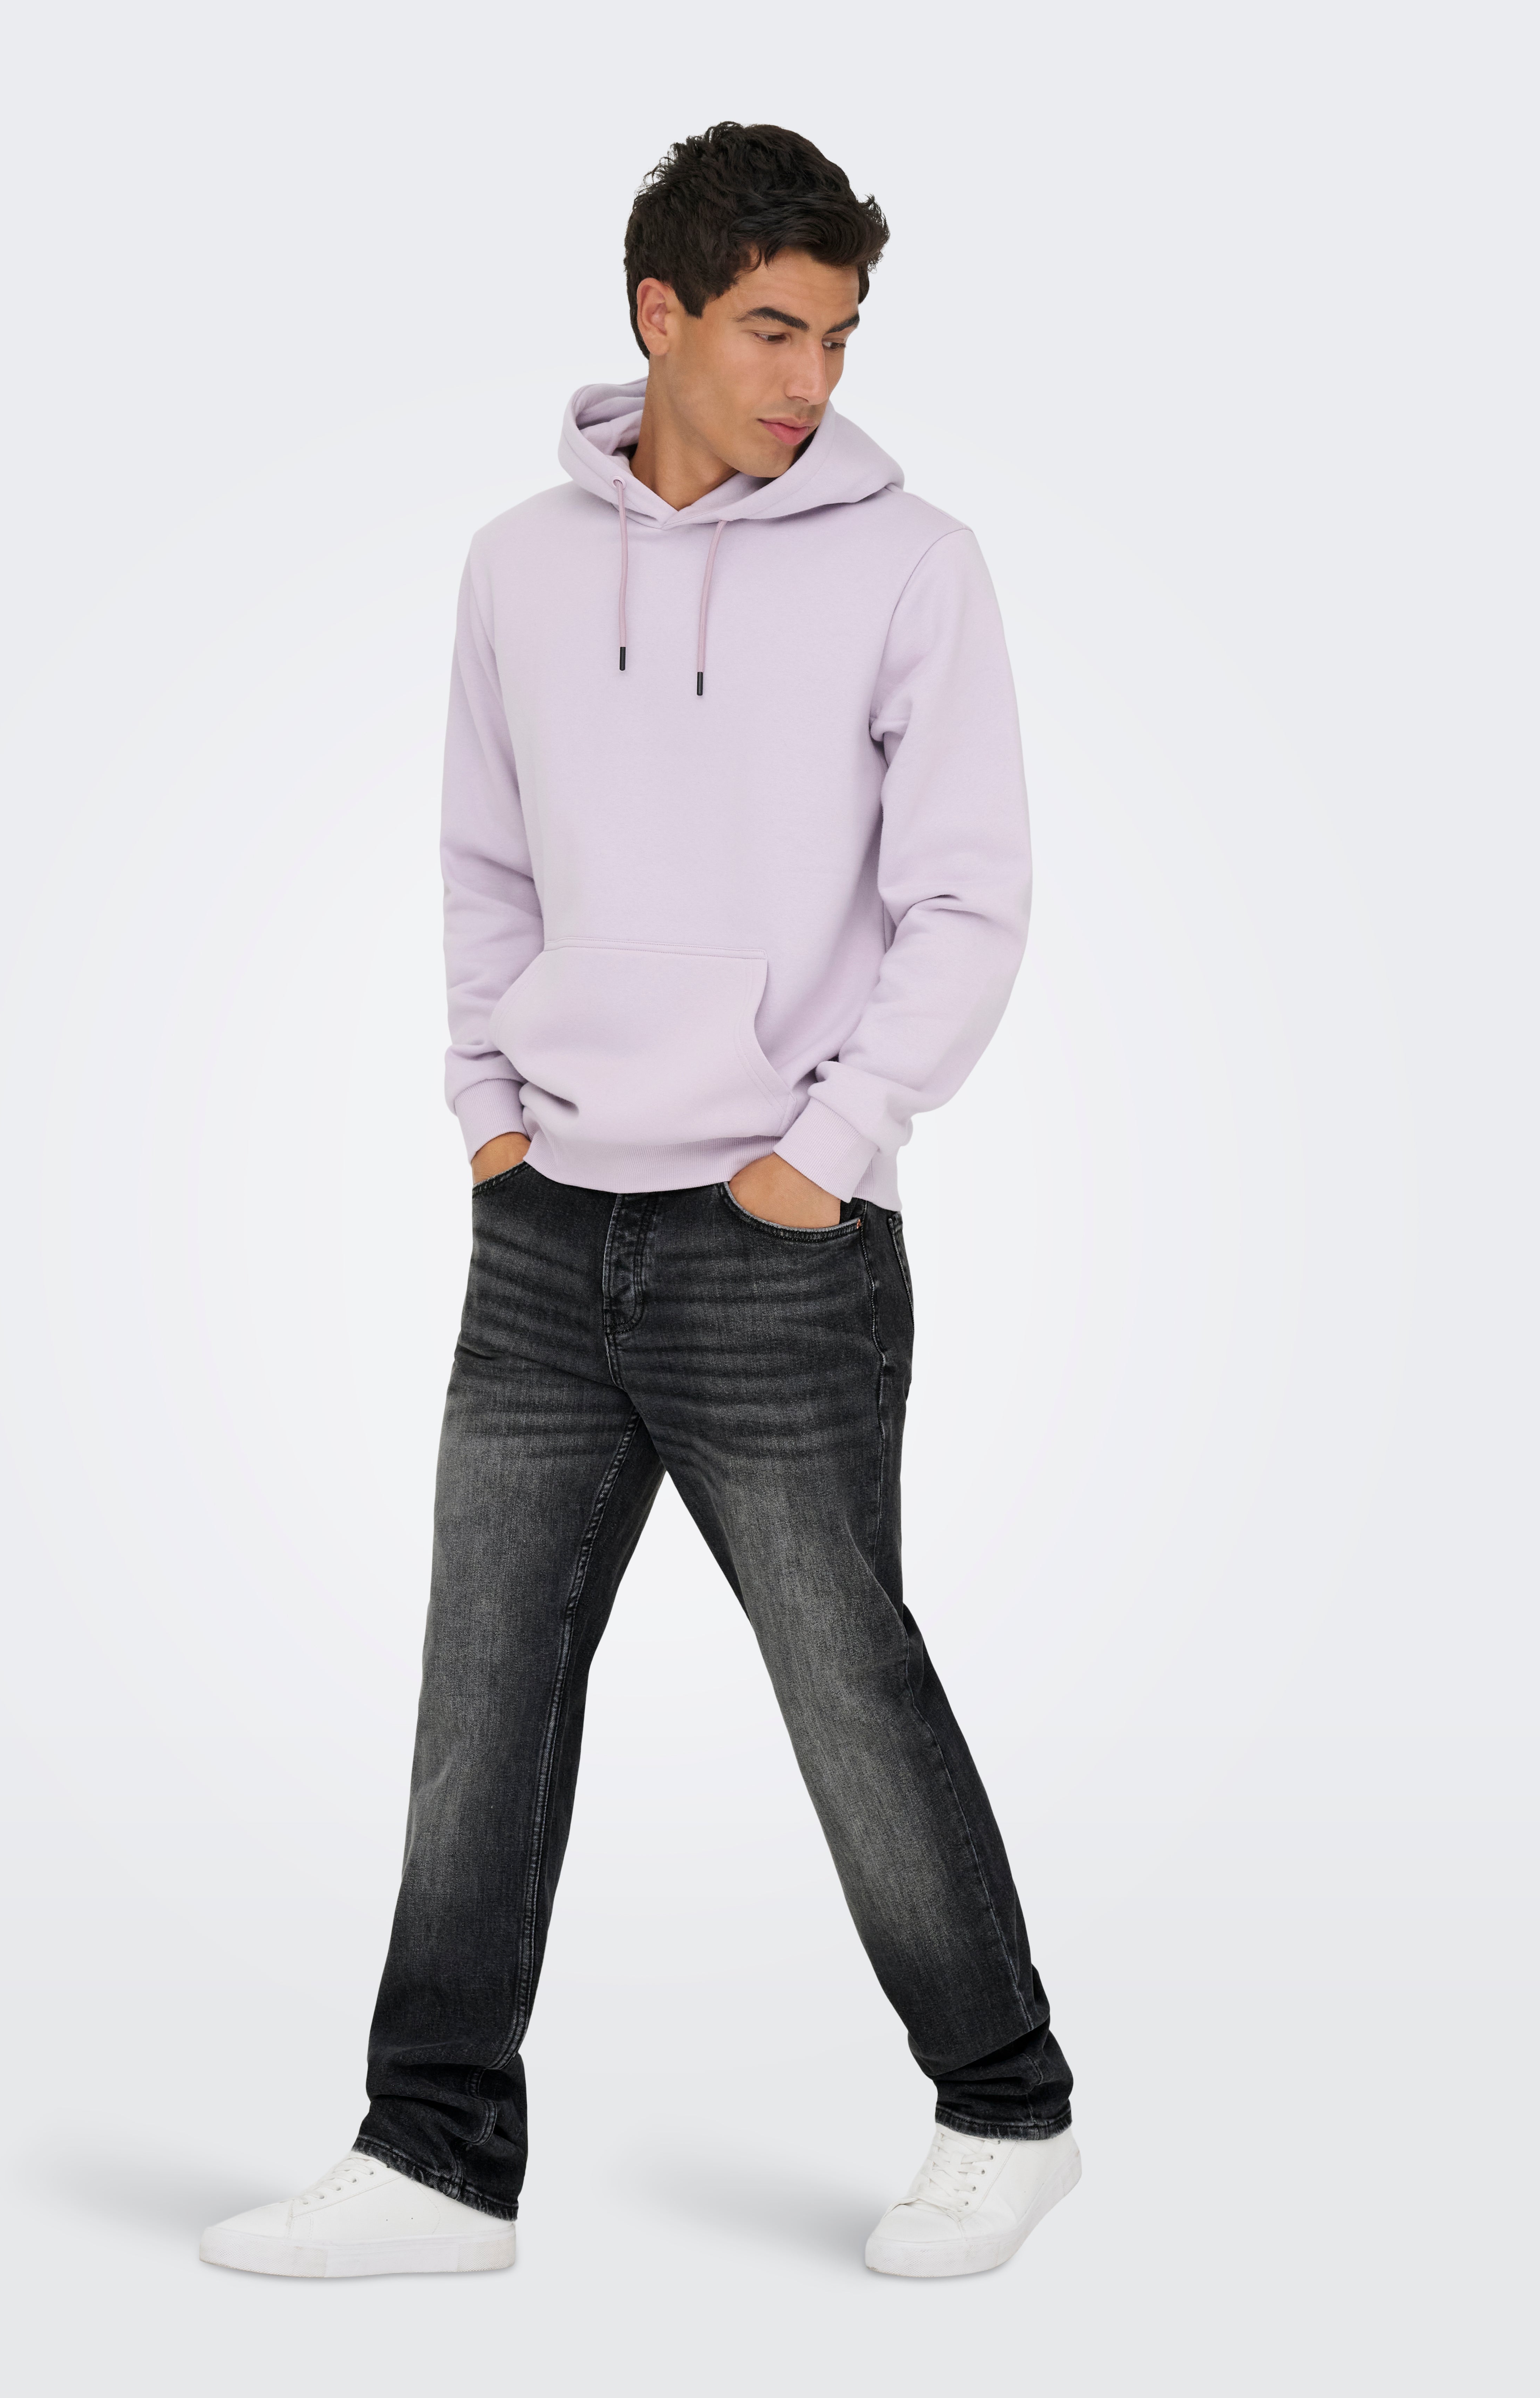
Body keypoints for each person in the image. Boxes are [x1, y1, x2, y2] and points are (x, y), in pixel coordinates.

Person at [201, 120, 1077, 2285]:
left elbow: (971, 898)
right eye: (773, 328)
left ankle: (1008, 2105)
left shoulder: (913, 565)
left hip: (777, 1241)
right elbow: (483, 859)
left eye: (841, 335)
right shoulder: (518, 564)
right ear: (658, 314)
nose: (812, 378)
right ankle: (433, 2159)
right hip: (544, 1226)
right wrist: (489, 1110)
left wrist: (828, 1149)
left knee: (847, 1687)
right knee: (480, 1699)